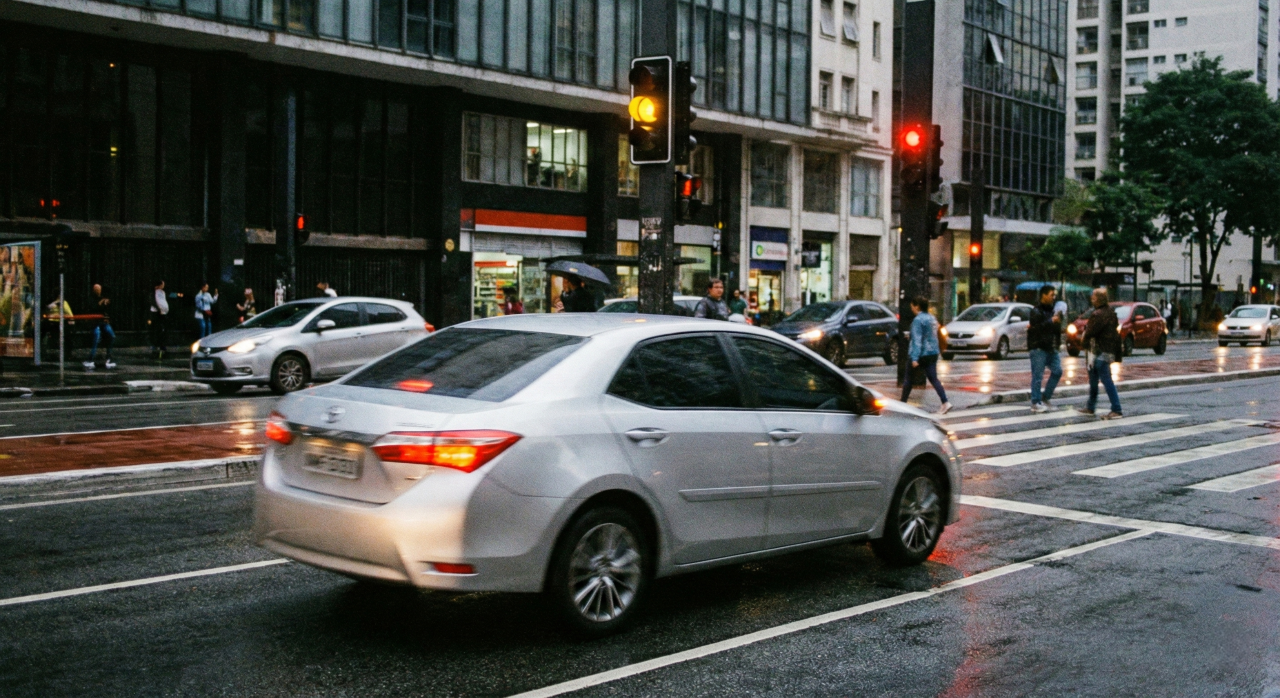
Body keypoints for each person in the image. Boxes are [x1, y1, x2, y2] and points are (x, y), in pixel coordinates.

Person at [901, 295, 952, 414]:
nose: (912, 309)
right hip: (932, 352)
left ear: (917, 306)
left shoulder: (918, 320)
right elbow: (931, 336)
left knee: (908, 379)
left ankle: (902, 404)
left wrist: (914, 358)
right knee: (934, 379)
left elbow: (918, 340)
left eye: (912, 307)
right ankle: (945, 402)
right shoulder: (932, 318)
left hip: (921, 354)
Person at [1080, 288, 1123, 419]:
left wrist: (1083, 338)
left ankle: (1116, 409)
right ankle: (1090, 406)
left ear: (1098, 299)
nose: (1091, 299)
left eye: (1093, 297)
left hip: (1098, 351)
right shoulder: (1111, 312)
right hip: (1108, 350)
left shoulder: (1097, 314)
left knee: (1105, 379)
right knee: (1095, 379)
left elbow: (1090, 332)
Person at [1028, 284, 1064, 413]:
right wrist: (1051, 321)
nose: (1053, 298)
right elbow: (1036, 328)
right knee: (1038, 375)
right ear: (1043, 295)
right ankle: (1035, 402)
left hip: (1051, 347)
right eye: (1051, 295)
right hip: (1038, 347)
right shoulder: (1036, 311)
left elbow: (1055, 329)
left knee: (1058, 371)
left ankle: (1045, 397)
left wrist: (1059, 322)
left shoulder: (1052, 310)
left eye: (1054, 295)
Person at [83, 284, 115, 370]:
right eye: (96, 289)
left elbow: (106, 310)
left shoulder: (102, 298)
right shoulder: (91, 299)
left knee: (111, 335)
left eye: (99, 289)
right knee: (96, 336)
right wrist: (100, 303)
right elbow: (93, 308)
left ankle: (108, 358)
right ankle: (90, 359)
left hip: (102, 322)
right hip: (94, 323)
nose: (98, 291)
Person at [150, 280, 182, 359]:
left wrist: (177, 295)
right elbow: (152, 301)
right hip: (156, 313)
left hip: (163, 313)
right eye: (162, 285)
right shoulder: (153, 292)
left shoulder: (162, 292)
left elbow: (168, 295)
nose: (163, 286)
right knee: (158, 329)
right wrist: (159, 309)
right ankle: (156, 346)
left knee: (163, 330)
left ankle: (162, 346)